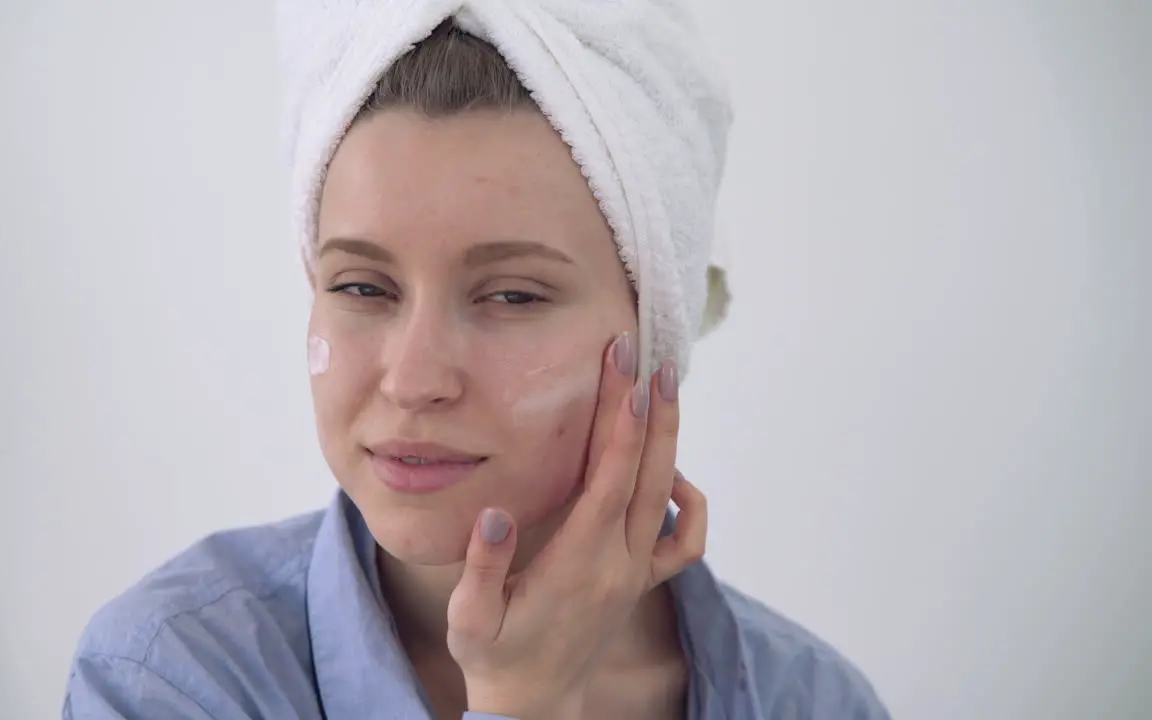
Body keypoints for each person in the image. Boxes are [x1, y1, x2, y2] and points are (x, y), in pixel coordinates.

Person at [64, 5, 891, 719]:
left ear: (656, 334)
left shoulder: (808, 701)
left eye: (512, 297)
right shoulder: (173, 676)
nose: (415, 378)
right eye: (361, 286)